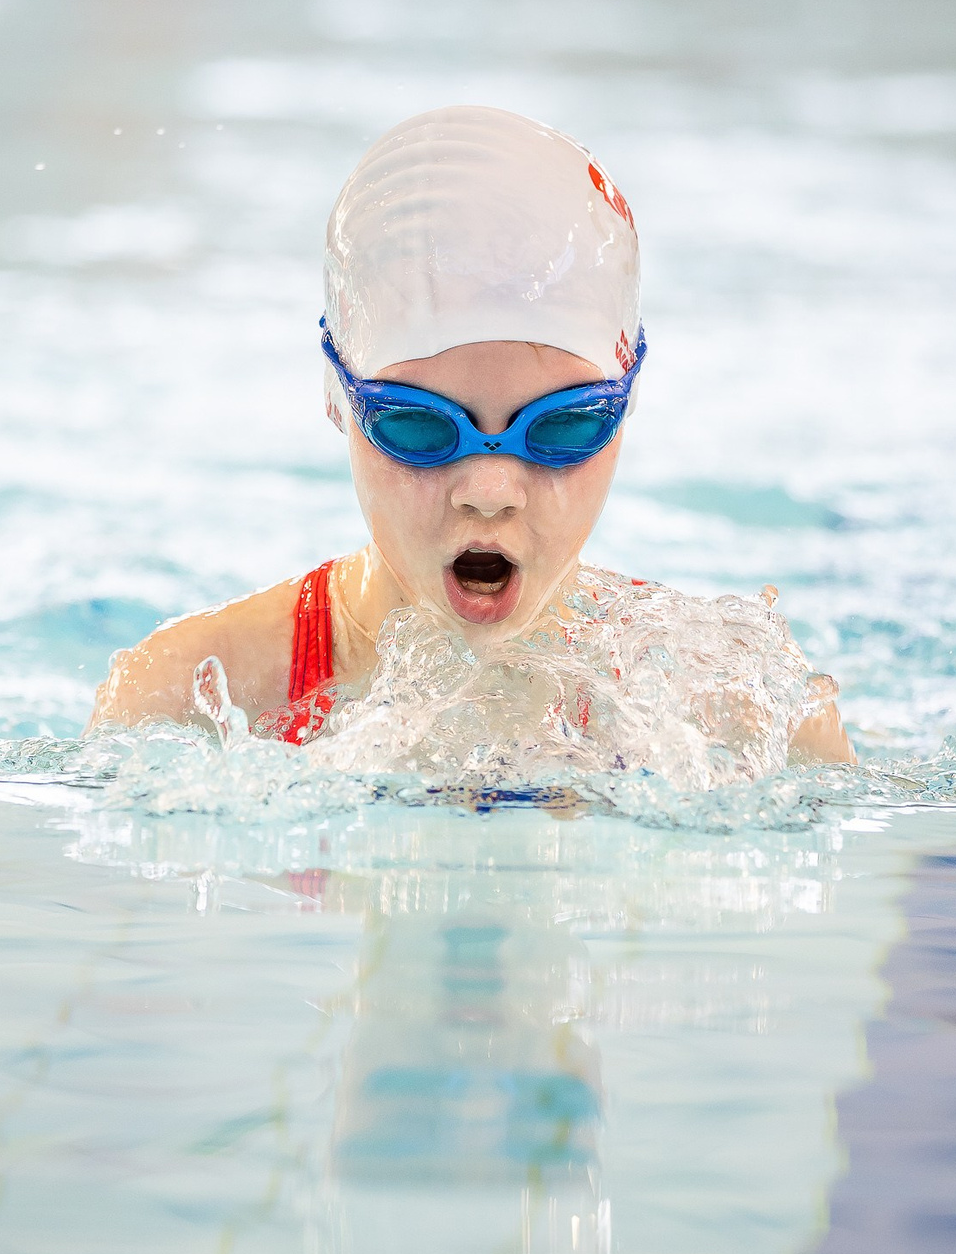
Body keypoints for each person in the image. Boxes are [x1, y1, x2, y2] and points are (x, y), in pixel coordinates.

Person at [89, 104, 855, 765]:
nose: (490, 492)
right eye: (420, 426)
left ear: (626, 405)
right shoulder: (187, 693)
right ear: (337, 397)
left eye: (564, 426)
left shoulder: (747, 710)